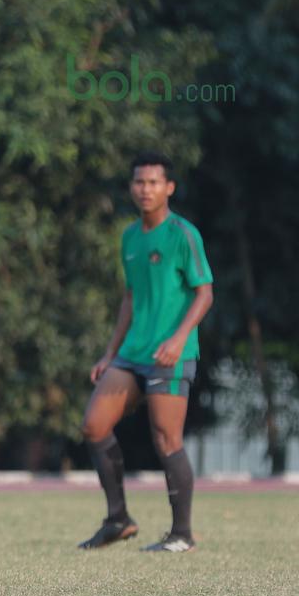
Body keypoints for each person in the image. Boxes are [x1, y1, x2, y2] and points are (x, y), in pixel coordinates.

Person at [77, 151, 213, 553]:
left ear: (169, 187)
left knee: (166, 439)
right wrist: (108, 353)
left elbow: (205, 293)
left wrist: (177, 339)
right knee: (94, 426)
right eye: (139, 182)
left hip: (171, 354)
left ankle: (182, 534)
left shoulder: (183, 234)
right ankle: (118, 520)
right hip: (132, 352)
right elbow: (130, 298)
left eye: (154, 182)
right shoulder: (130, 237)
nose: (145, 189)